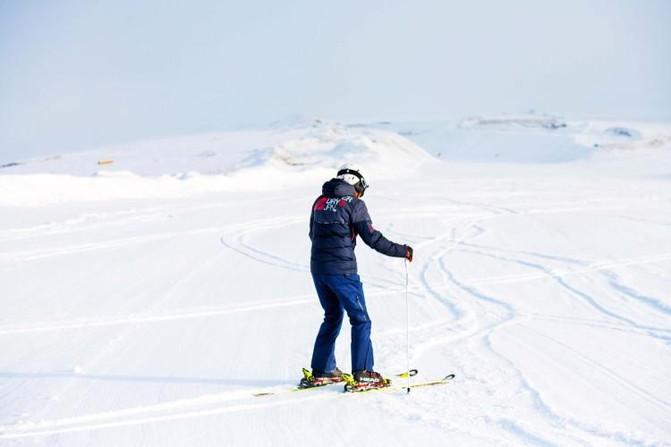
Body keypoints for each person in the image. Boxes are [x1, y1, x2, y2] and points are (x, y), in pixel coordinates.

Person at [305, 165, 413, 389]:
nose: (360, 194)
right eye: (360, 189)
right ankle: (363, 373)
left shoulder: (319, 202)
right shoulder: (355, 204)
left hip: (319, 269)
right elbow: (372, 239)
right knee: (361, 320)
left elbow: (312, 234)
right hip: (343, 272)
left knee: (332, 316)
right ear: (355, 186)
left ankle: (322, 370)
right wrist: (403, 250)